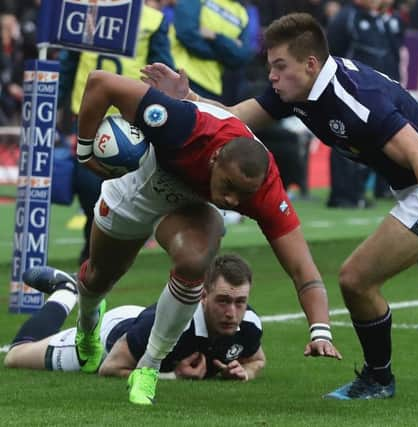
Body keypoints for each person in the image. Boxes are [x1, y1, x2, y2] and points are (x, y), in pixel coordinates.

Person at [141, 12, 418, 399]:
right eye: (270, 67)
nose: (272, 77)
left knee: (356, 278)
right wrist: (191, 100)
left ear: (311, 63)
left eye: (280, 67)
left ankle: (378, 378)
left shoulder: (357, 100)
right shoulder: (296, 91)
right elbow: (234, 118)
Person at [73, 69, 341, 405]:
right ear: (214, 158)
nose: (231, 201)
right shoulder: (180, 124)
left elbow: (304, 270)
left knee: (197, 259)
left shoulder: (265, 191)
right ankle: (86, 325)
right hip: (135, 192)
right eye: (228, 187)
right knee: (98, 277)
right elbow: (101, 82)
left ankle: (149, 367)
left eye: (242, 196)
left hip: (187, 207)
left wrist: (320, 330)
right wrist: (84, 150)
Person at [5, 254, 265, 384]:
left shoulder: (249, 324)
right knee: (15, 356)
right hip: (110, 340)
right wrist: (173, 376)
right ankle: (67, 291)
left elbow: (256, 358)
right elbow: (111, 368)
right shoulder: (176, 325)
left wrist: (246, 372)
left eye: (240, 302)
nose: (232, 313)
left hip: (140, 321)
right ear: (203, 296)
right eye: (223, 301)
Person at [57, 0, 174, 265]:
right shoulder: (151, 19)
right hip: (113, 118)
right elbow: (163, 69)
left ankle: (100, 254)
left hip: (114, 120)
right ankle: (95, 253)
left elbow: (67, 66)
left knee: (109, 191)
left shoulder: (84, 14)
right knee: (97, 192)